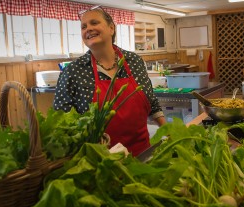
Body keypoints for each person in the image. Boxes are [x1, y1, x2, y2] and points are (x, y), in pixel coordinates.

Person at [53, 5, 166, 156]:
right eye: (83, 26)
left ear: (111, 28)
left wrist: (169, 132)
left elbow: (151, 102)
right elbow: (61, 122)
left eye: (94, 23)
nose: (88, 29)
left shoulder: (134, 61)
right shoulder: (73, 71)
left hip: (142, 156)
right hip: (99, 162)